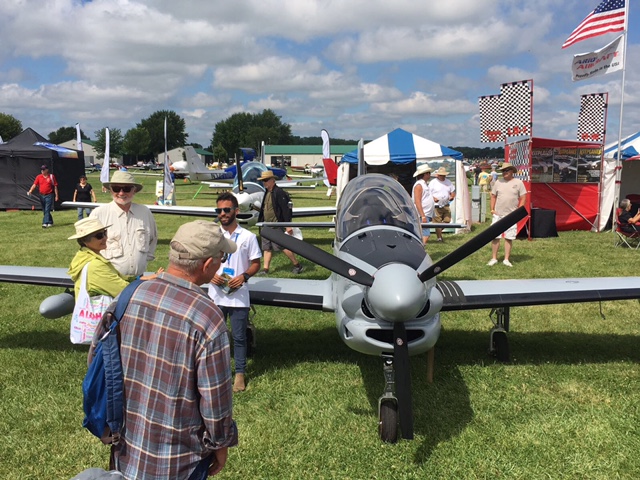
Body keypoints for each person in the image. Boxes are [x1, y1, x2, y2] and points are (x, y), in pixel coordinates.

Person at [91, 220, 239, 479]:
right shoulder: (207, 317)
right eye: (221, 258)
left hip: (125, 448)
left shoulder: (129, 294)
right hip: (179, 462)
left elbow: (96, 358)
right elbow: (215, 399)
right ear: (207, 265)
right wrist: (220, 444)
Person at [208, 192, 261, 393]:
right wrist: (211, 275)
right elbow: (203, 260)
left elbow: (255, 263)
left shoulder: (248, 237)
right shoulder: (212, 236)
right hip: (215, 295)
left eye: (226, 210)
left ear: (236, 211)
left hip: (238, 295)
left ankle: (239, 373)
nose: (222, 213)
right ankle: (217, 372)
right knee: (214, 337)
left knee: (239, 337)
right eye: (219, 210)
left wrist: (244, 277)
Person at [90, 170, 157, 281]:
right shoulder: (98, 214)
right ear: (110, 190)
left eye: (126, 189)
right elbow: (89, 248)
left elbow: (152, 239)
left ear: (134, 190)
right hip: (109, 280)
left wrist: (143, 260)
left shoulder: (144, 212)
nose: (121, 193)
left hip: (139, 278)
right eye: (116, 188)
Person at [67, 218, 129, 300]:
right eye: (99, 236)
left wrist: (137, 279)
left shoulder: (83, 257)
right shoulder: (95, 266)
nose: (105, 238)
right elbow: (123, 291)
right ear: (85, 241)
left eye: (105, 233)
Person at [256, 170, 303, 275]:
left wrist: (287, 225)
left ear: (272, 180)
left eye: (266, 180)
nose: (264, 182)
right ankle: (265, 269)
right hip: (266, 225)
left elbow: (286, 210)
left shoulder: (279, 192)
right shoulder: (267, 192)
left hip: (276, 225)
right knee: (266, 248)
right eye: (263, 180)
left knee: (282, 246)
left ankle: (297, 265)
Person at [488, 163, 527, 267]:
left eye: (506, 170)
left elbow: (523, 197)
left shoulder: (518, 183)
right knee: (495, 236)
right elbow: (493, 196)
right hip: (498, 214)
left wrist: (519, 211)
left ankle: (506, 259)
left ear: (512, 171)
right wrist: (492, 209)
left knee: (509, 237)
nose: (504, 172)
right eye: (503, 171)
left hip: (511, 215)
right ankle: (494, 258)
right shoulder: (498, 182)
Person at [429, 167, 456, 242]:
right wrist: (434, 198)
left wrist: (452, 196)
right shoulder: (433, 182)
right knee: (437, 221)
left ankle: (439, 230)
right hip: (436, 205)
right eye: (441, 175)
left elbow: (453, 191)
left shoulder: (448, 182)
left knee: (447, 220)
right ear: (438, 175)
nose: (443, 176)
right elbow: (428, 193)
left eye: (444, 175)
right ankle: (439, 238)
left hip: (446, 204)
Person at [27, 164, 59, 228]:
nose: (42, 171)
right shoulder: (39, 177)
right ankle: (50, 222)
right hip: (41, 195)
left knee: (47, 209)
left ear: (47, 170)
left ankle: (45, 223)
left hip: (49, 195)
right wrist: (30, 191)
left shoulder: (51, 177)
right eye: (41, 170)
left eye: (44, 170)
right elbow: (34, 185)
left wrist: (56, 196)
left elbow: (55, 186)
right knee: (45, 210)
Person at [411, 164, 434, 244]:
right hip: (422, 213)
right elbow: (417, 201)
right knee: (425, 234)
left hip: (426, 213)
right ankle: (421, 247)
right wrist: (423, 215)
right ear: (425, 174)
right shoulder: (419, 185)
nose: (430, 175)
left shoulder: (424, 184)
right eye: (428, 173)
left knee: (424, 233)